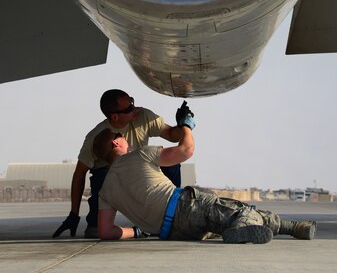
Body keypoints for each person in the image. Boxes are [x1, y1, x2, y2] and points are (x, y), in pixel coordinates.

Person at [92, 118, 317, 244]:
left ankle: (296, 228)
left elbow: (106, 232)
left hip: (172, 233)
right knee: (240, 211)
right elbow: (186, 150)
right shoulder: (140, 154)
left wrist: (138, 231)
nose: (125, 138)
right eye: (121, 136)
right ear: (116, 143)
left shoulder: (106, 191)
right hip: (186, 206)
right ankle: (246, 226)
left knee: (225, 220)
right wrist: (186, 126)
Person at [53, 89, 190, 239]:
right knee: (96, 223)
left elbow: (172, 135)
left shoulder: (143, 116)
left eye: (132, 101)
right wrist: (74, 214)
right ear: (115, 117)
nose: (135, 109)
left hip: (139, 172)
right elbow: (79, 174)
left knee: (171, 164)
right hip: (112, 179)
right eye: (129, 108)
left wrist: (183, 125)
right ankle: (96, 221)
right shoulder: (96, 137)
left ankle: (172, 211)